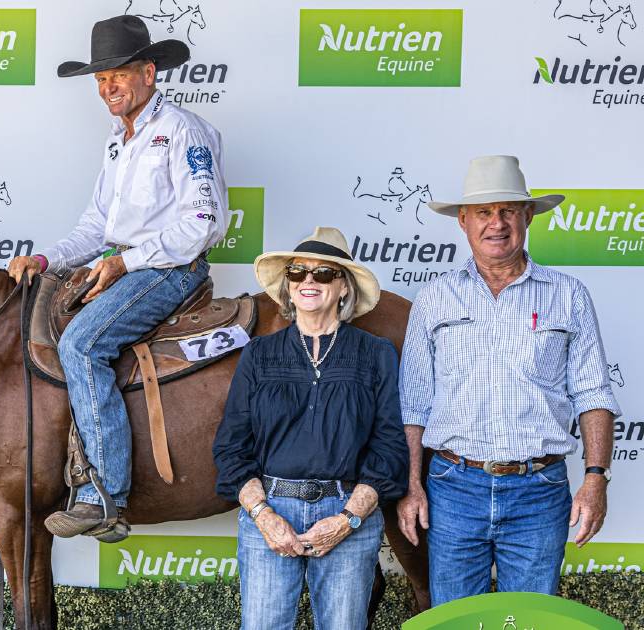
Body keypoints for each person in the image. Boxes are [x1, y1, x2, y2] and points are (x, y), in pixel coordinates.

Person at [6, 14, 228, 542]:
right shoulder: (117, 142)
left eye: (119, 75)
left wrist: (124, 262)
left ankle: (103, 491)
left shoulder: (183, 131)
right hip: (128, 265)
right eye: (101, 80)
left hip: (170, 267)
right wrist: (44, 261)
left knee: (82, 344)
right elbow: (94, 227)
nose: (108, 88)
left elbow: (203, 221)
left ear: (149, 72)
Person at [397, 155, 620, 605]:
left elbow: (593, 393)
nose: (496, 223)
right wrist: (412, 484)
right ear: (463, 221)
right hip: (452, 486)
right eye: (484, 212)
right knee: (456, 618)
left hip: (540, 491)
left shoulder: (569, 295)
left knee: (531, 618)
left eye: (508, 211)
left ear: (528, 217)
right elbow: (415, 404)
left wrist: (596, 478)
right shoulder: (434, 298)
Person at [213, 227, 408, 630]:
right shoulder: (259, 354)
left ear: (343, 287)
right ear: (287, 286)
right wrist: (265, 516)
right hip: (271, 507)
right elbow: (232, 447)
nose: (308, 281)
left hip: (346, 509)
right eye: (298, 272)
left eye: (323, 274)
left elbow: (389, 447)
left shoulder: (376, 354)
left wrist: (348, 519)